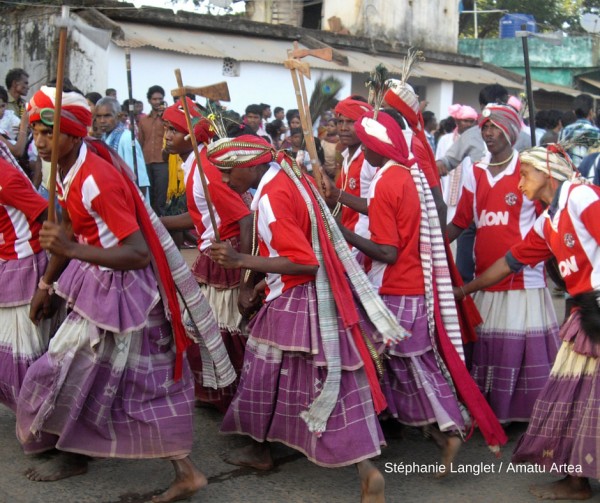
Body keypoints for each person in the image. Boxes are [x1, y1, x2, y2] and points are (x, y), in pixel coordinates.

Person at [18, 85, 235, 503]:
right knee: (81, 375)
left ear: (72, 132)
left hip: (127, 295)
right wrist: (47, 283)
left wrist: (72, 251)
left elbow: (136, 252)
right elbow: (68, 227)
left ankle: (184, 472)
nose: (40, 142)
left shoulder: (97, 178)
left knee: (112, 381)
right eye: (35, 132)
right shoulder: (64, 170)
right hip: (98, 286)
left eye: (49, 132)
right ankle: (77, 451)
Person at [209, 135, 409, 503]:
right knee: (332, 386)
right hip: (320, 294)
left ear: (251, 167)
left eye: (227, 172)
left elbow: (303, 260)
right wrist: (255, 282)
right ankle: (365, 468)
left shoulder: (270, 196)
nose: (223, 181)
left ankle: (260, 451)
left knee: (262, 377)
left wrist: (241, 263)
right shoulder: (290, 176)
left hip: (297, 296)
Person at [456, 144, 600, 500]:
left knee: (583, 400)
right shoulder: (546, 222)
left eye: (524, 174)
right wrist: (466, 290)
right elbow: (509, 263)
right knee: (572, 399)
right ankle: (577, 480)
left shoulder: (582, 196)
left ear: (547, 171)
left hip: (596, 307)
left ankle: (578, 480)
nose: (519, 183)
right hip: (584, 314)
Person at [447, 104, 560, 423]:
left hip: (523, 277)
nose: (488, 133)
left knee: (519, 350)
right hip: (485, 274)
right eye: (485, 127)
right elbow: (459, 222)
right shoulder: (475, 171)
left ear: (511, 133)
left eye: (495, 127)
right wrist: (427, 244)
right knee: (491, 348)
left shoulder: (528, 171)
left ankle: (526, 415)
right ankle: (492, 412)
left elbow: (548, 221)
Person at [160, 97, 252, 412]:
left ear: (192, 134)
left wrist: (245, 276)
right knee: (204, 326)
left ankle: (235, 396)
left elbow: (243, 218)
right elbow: (201, 212)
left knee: (221, 328)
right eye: (166, 129)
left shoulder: (206, 168)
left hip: (226, 253)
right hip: (214, 250)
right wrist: (159, 223)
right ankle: (216, 391)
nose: (166, 136)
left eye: (173, 130)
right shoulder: (195, 164)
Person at [0, 157, 51, 411]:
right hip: (7, 262)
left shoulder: (6, 180)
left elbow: (51, 217)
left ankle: (36, 415)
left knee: (23, 348)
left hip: (24, 265)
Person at [95, 96, 150, 196]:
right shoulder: (104, 138)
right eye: (99, 116)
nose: (102, 121)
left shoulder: (127, 139)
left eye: (107, 116)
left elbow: (140, 180)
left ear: (119, 116)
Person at [139, 85, 169, 216]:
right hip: (146, 162)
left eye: (160, 99)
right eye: (154, 99)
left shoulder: (167, 118)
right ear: (149, 100)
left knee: (161, 196)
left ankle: (164, 224)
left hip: (162, 161)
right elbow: (140, 141)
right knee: (148, 196)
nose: (157, 102)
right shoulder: (143, 120)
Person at [559, 94, 600, 168]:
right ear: (591, 112)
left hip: (569, 174)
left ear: (574, 112)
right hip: (588, 175)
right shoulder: (596, 132)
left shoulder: (564, 130)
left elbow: (560, 154)